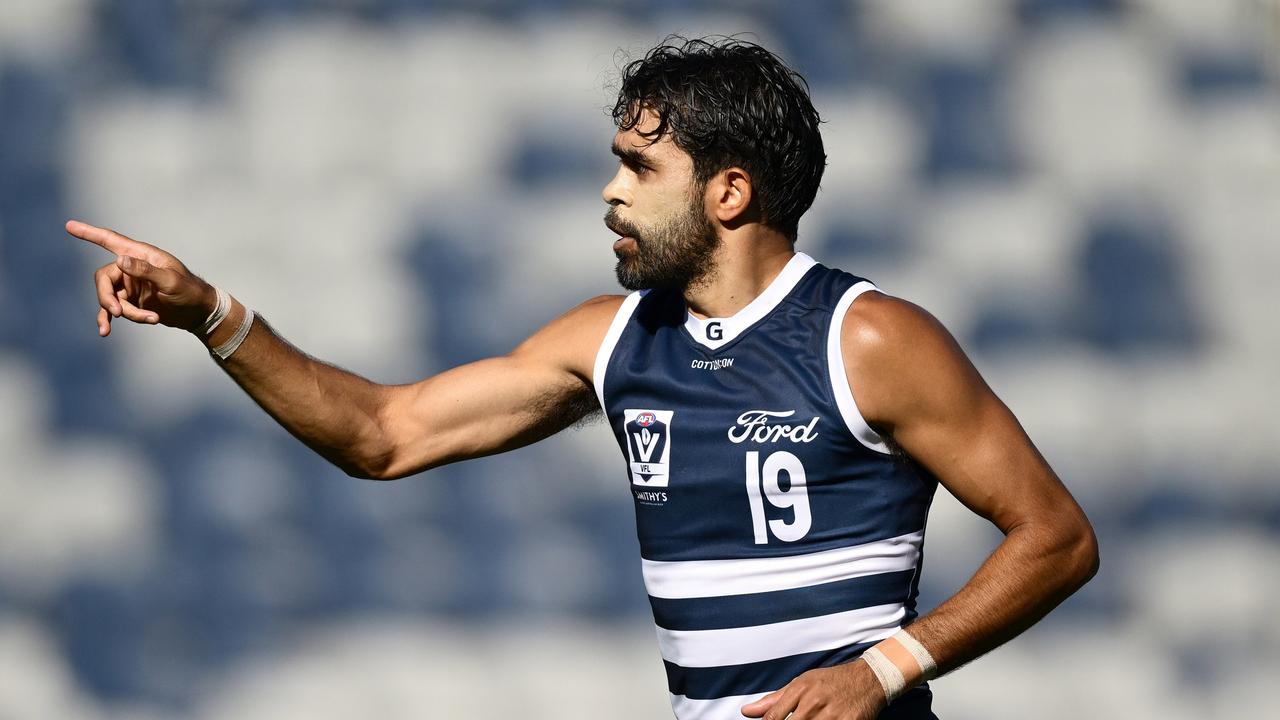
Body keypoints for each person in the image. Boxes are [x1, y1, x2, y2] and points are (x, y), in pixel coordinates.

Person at [69, 36, 1097, 720]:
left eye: (640, 169)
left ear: (729, 191)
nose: (609, 192)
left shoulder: (866, 338)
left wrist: (881, 671)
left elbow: (1056, 537)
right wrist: (211, 312)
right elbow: (380, 435)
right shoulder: (609, 341)